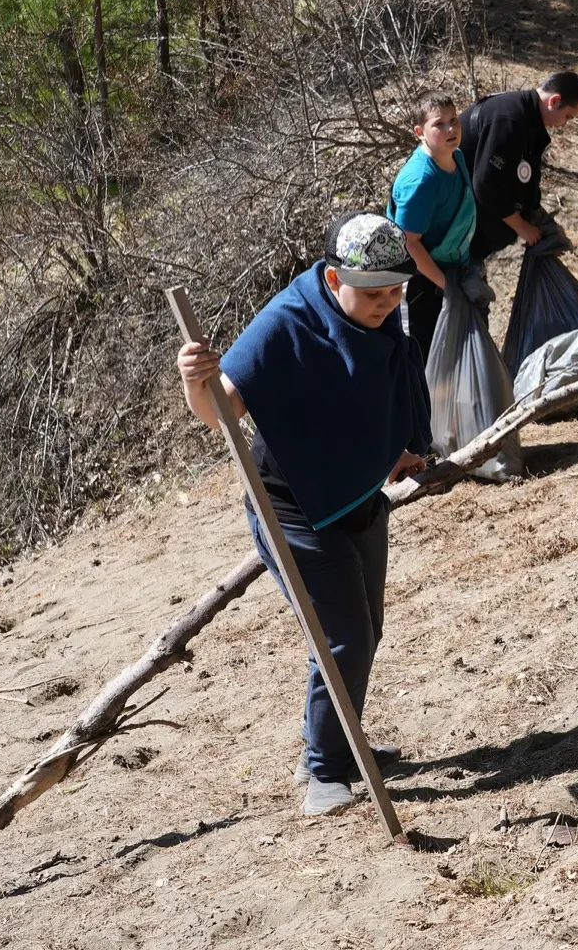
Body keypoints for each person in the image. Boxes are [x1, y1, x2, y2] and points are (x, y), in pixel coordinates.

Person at [174, 212, 430, 816]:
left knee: (366, 629)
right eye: (373, 293)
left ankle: (339, 742)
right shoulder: (287, 319)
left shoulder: (385, 313)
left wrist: (404, 445)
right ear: (336, 279)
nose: (387, 304)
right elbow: (221, 413)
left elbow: (389, 378)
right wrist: (194, 383)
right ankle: (323, 771)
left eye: (395, 290)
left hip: (357, 493)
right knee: (342, 637)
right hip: (292, 505)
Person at [459, 70, 578, 263]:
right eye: (568, 117)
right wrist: (521, 226)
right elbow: (486, 185)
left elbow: (526, 178)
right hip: (454, 226)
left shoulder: (529, 118)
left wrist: (539, 222)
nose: (565, 124)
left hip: (472, 222)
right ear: (554, 101)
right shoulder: (508, 118)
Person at [389, 91, 478, 349]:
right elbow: (409, 243)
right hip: (422, 282)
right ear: (420, 132)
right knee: (428, 355)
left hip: (452, 269)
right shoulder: (420, 181)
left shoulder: (456, 156)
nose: (451, 128)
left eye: (454, 120)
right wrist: (448, 287)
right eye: (439, 124)